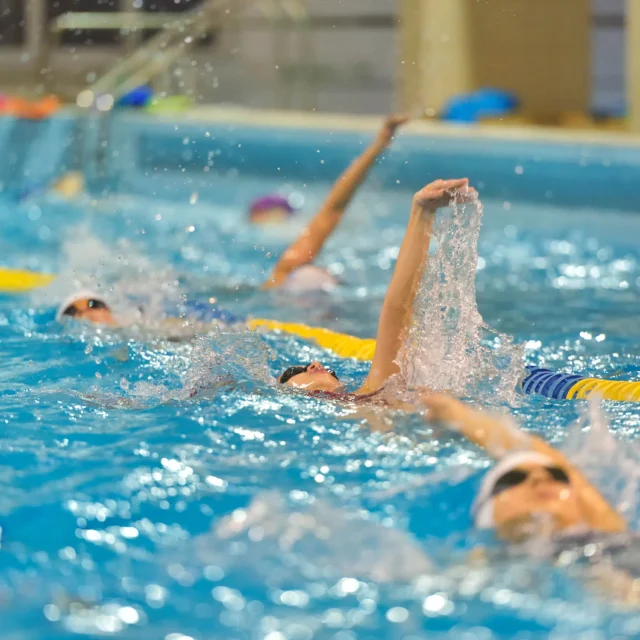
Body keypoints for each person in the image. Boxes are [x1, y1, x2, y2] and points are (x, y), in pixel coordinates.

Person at [277, 178, 475, 401]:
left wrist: (423, 213)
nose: (316, 364)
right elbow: (397, 311)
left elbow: (397, 312)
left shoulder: (369, 396)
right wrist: (423, 214)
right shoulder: (372, 398)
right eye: (296, 371)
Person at [421, 393, 626, 541]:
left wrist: (460, 417)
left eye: (557, 475)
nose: (541, 479)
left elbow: (559, 465)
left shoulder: (614, 539)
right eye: (514, 478)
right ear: (486, 512)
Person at [262, 114, 409, 292]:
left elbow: (332, 212)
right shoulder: (290, 267)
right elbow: (332, 212)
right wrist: (379, 145)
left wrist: (378, 145)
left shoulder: (286, 271)